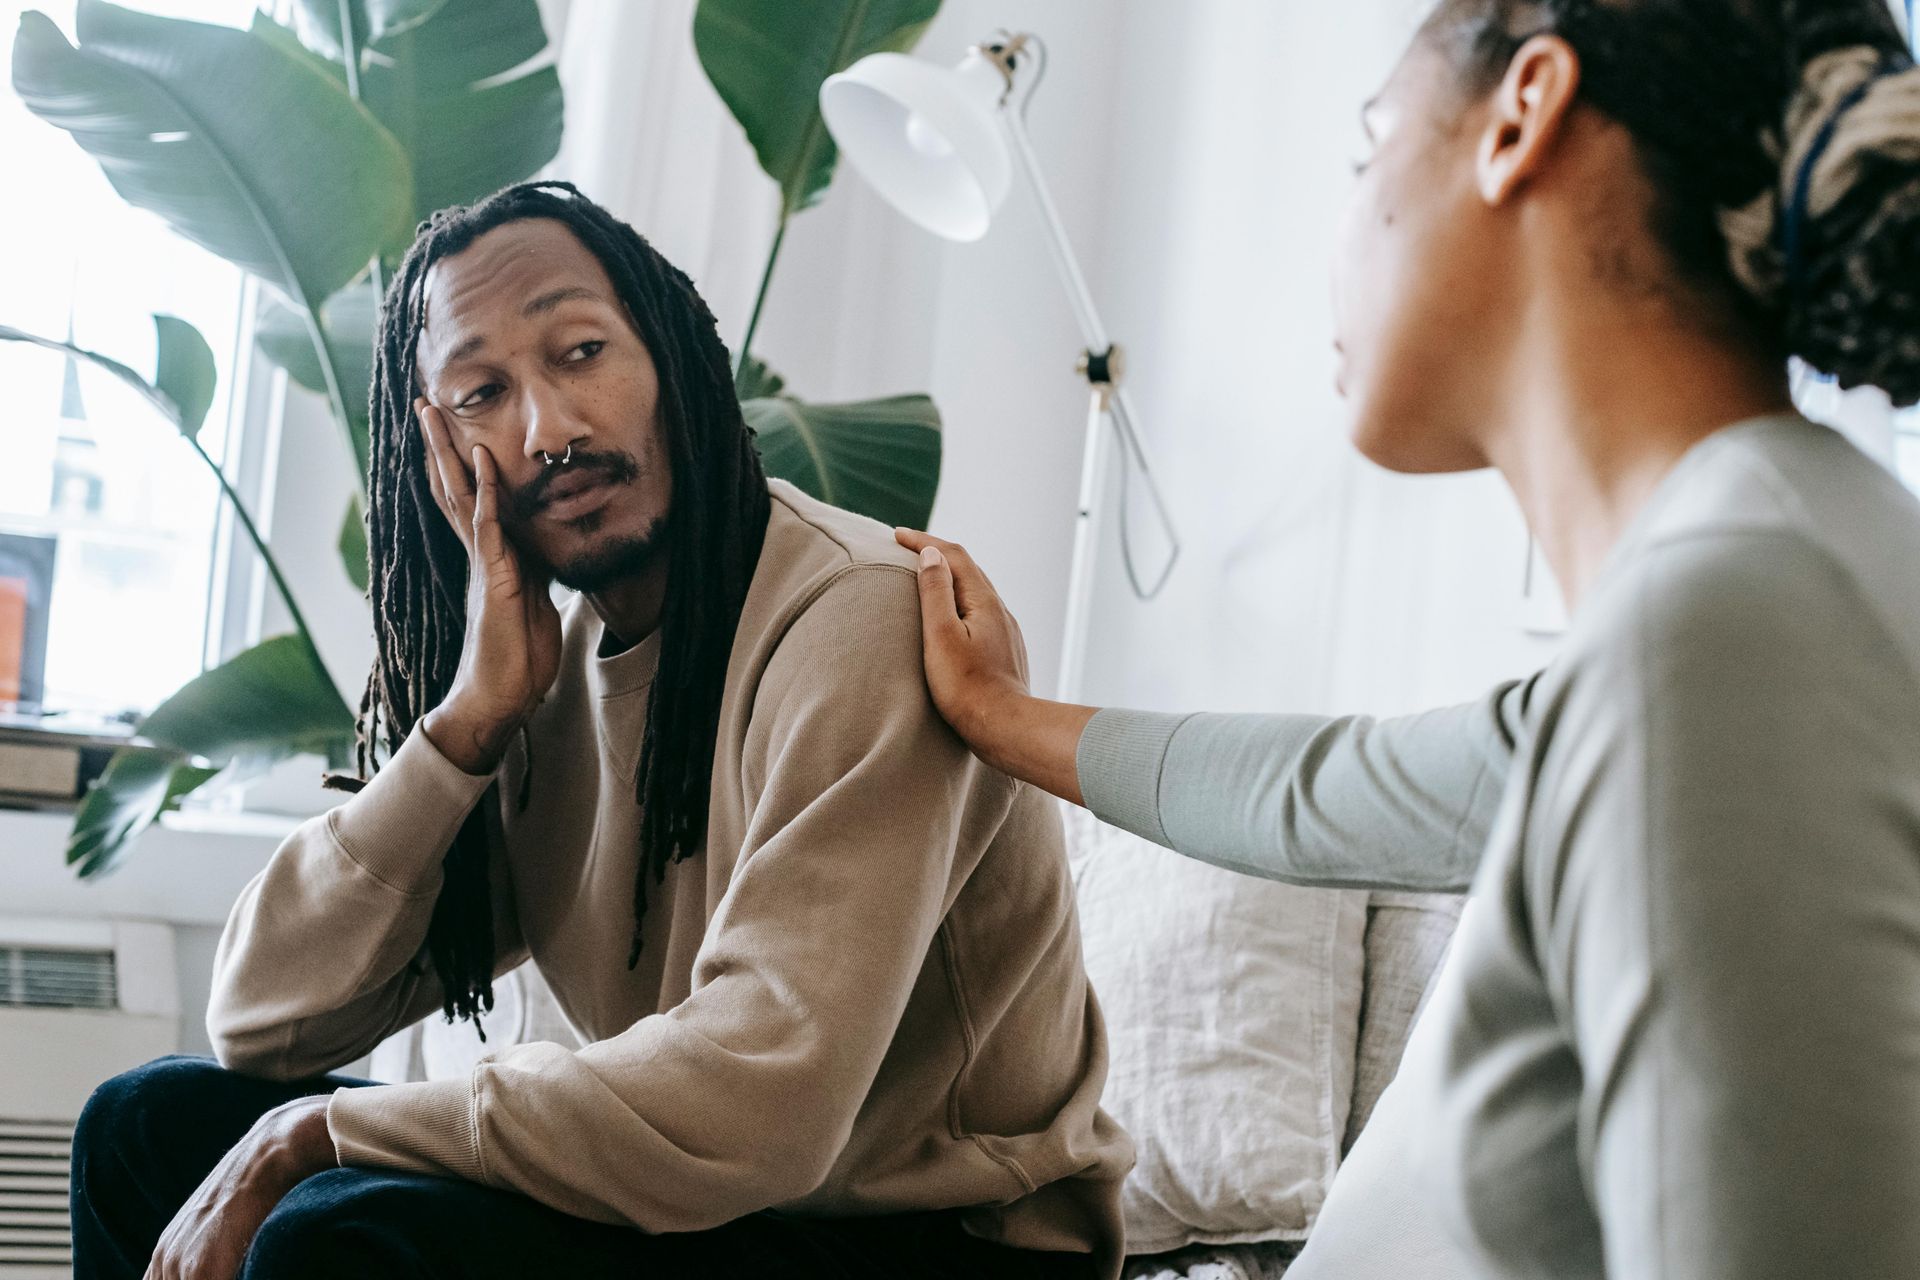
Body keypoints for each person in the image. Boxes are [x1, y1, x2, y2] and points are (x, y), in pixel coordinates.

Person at [897, 1, 1920, 1277]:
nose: (1342, 227)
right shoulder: (1756, 579)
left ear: (1524, 113)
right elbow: (1323, 791)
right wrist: (996, 712)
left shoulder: (1728, 629)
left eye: (1367, 146)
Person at [69, 181, 1130, 1280]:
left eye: (580, 351)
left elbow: (765, 1100)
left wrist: (319, 1134)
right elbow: (264, 1016)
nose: (551, 429)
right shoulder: (540, 678)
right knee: (142, 1129)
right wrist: (464, 727)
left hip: (943, 1242)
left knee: (331, 1227)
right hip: (723, 1209)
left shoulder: (855, 616)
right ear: (437, 452)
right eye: (483, 390)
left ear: (668, 354)